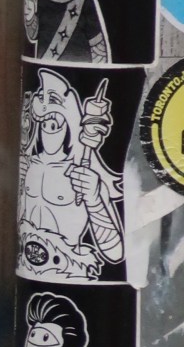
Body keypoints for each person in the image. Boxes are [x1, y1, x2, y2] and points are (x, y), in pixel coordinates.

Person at [18, 68, 124, 280]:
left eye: (53, 124)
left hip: (69, 269)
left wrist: (94, 201)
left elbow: (115, 252)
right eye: (44, 124)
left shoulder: (85, 174)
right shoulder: (29, 165)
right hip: (31, 269)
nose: (47, 131)